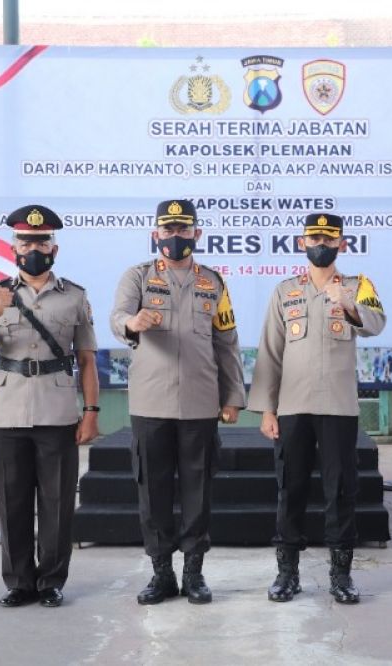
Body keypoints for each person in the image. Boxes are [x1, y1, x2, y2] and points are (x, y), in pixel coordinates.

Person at [109, 199, 245, 605]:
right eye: (167, 230)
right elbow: (118, 317)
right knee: (152, 493)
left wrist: (233, 396)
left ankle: (194, 573)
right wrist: (132, 324)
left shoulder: (213, 282)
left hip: (201, 403)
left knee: (197, 492)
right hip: (151, 403)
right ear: (156, 234)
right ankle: (161, 574)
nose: (175, 237)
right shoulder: (138, 277)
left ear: (197, 234)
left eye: (183, 230)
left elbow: (227, 342)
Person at [0, 205, 99, 608]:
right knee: (12, 500)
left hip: (58, 409)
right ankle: (20, 581)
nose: (34, 247)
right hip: (7, 410)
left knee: (57, 503)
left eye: (42, 240)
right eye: (26, 241)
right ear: (13, 247)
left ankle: (51, 581)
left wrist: (91, 411)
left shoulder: (74, 296)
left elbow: (87, 359)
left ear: (54, 247)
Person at [248, 213, 386, 604]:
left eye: (329, 238)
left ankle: (341, 576)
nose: (321, 244)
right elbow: (270, 353)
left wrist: (347, 303)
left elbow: (376, 323)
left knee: (340, 491)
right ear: (300, 243)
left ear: (343, 244)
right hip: (292, 407)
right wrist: (267, 410)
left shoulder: (359, 285)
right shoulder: (285, 291)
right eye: (314, 238)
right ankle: (286, 573)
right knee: (289, 489)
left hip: (338, 408)